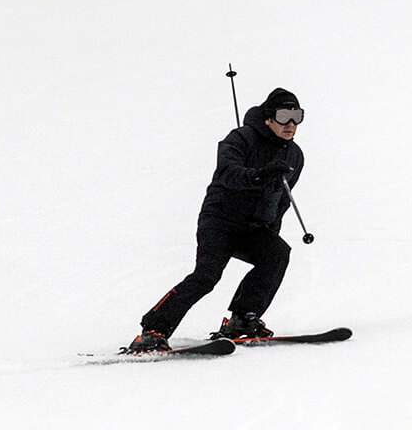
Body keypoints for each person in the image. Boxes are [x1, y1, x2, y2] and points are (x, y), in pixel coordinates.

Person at [130, 88, 306, 352]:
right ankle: (153, 330)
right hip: (220, 221)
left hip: (253, 227)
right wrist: (259, 175)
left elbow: (282, 199)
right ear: (268, 118)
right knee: (207, 276)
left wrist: (270, 228)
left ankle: (243, 319)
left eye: (297, 116)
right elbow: (227, 173)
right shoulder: (241, 139)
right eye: (284, 116)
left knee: (277, 253)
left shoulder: (295, 156)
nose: (291, 124)